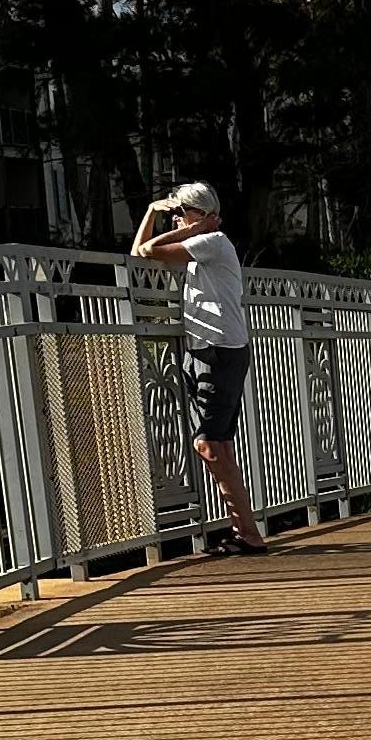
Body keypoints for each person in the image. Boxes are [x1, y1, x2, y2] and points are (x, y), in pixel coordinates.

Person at [131, 179, 268, 553]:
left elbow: (147, 251)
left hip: (218, 349)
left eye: (182, 213)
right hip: (211, 349)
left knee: (209, 444)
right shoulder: (205, 245)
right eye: (174, 214)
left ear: (206, 216)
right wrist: (150, 212)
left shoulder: (213, 242)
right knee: (217, 444)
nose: (176, 220)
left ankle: (248, 535)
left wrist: (193, 227)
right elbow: (139, 250)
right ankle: (247, 533)